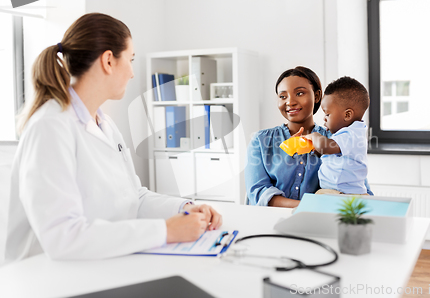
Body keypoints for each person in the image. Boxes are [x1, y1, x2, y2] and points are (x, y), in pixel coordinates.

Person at [3, 13, 222, 264]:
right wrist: (166, 230)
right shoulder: (50, 127)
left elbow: (133, 198)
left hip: (98, 265)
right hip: (43, 277)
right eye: (130, 59)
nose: (131, 73)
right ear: (108, 60)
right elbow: (62, 238)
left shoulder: (104, 123)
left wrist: (183, 209)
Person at [245, 66, 328, 208]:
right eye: (283, 96)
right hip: (269, 224)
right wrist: (307, 206)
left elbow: (354, 187)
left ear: (317, 96)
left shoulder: (333, 140)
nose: (290, 102)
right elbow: (258, 192)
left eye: (300, 93)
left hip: (318, 223)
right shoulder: (261, 141)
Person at [303, 76, 373, 195]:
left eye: (328, 114)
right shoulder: (350, 133)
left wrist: (314, 135)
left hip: (342, 195)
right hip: (340, 192)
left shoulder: (351, 134)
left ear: (347, 115)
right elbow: (330, 151)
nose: (324, 118)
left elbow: (325, 147)